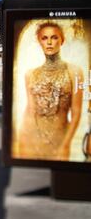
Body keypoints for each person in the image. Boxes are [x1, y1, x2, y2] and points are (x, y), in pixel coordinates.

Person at [16, 22, 83, 160]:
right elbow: (30, 109)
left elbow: (76, 113)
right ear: (39, 41)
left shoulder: (74, 72)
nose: (49, 42)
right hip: (33, 139)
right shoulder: (30, 74)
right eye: (44, 38)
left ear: (62, 40)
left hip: (60, 140)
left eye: (54, 37)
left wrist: (65, 145)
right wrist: (22, 139)